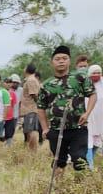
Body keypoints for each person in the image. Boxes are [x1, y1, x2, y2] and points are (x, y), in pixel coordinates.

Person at [37, 45, 96, 173]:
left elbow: (92, 94)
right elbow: (41, 107)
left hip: (78, 128)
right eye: (57, 59)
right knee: (59, 161)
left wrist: (87, 113)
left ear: (69, 61)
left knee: (79, 158)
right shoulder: (46, 85)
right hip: (56, 129)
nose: (61, 61)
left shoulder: (80, 78)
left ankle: (83, 188)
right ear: (52, 62)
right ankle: (59, 189)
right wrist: (45, 128)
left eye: (64, 58)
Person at [20, 63, 42, 150]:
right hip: (28, 109)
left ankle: (33, 151)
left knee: (32, 130)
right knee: (28, 130)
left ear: (27, 69)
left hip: (31, 109)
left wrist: (39, 105)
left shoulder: (31, 80)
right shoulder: (30, 79)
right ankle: (30, 150)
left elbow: (34, 94)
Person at [87, 64, 103, 169]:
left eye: (98, 72)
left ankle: (90, 162)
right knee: (88, 142)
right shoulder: (86, 85)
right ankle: (90, 167)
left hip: (100, 119)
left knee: (97, 142)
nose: (96, 75)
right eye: (94, 73)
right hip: (88, 118)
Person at [1, 76, 19, 146]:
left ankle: (8, 148)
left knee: (9, 134)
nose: (8, 84)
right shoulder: (0, 92)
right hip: (1, 117)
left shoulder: (13, 94)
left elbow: (13, 105)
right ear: (3, 83)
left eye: (10, 83)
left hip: (10, 117)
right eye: (7, 82)